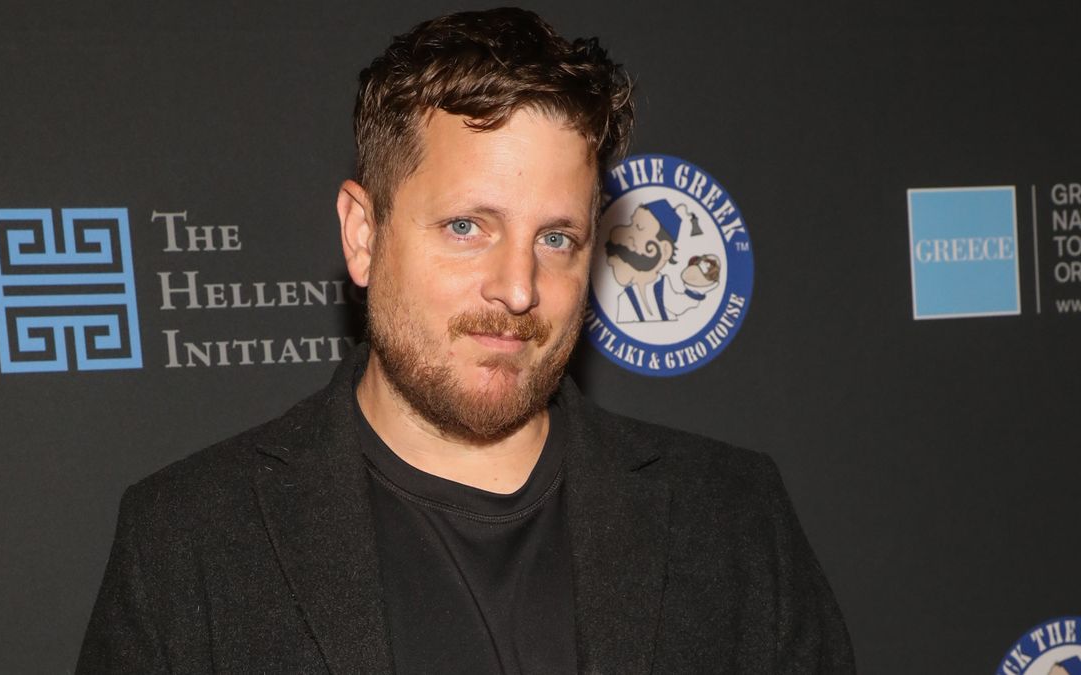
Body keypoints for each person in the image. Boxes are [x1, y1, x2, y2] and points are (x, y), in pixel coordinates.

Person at [77, 8, 855, 673]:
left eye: (557, 238)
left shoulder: (734, 519)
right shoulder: (187, 544)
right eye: (466, 226)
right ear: (363, 234)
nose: (517, 287)